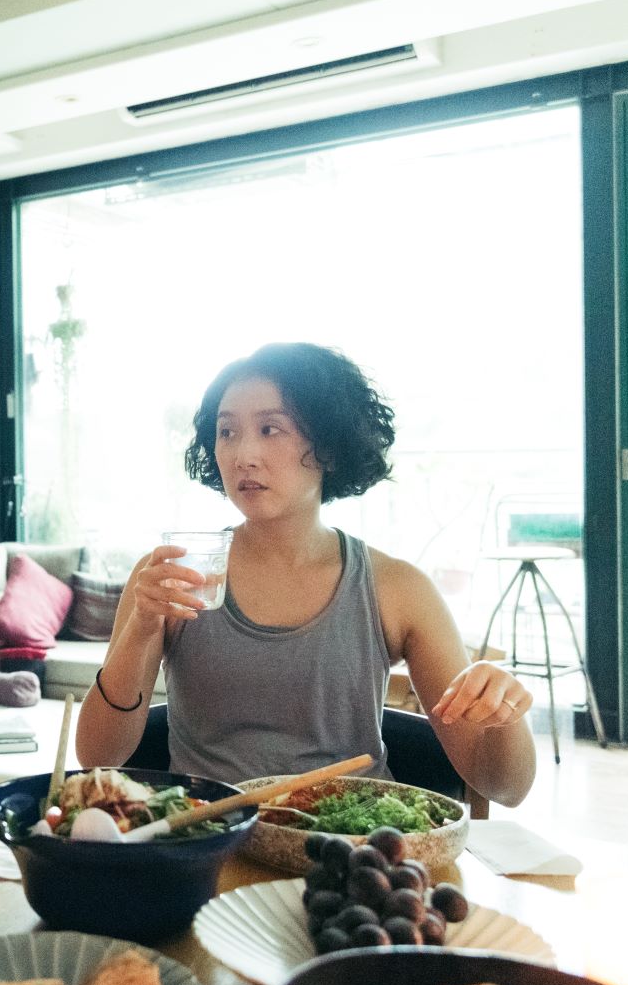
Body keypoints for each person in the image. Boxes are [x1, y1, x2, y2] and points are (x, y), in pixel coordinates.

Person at [75, 342, 536, 809]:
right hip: (210, 841)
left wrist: (503, 714)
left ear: (330, 448)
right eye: (227, 431)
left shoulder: (397, 589)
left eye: (270, 429)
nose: (243, 455)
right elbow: (97, 755)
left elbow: (505, 788)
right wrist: (142, 628)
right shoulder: (176, 575)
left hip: (349, 850)